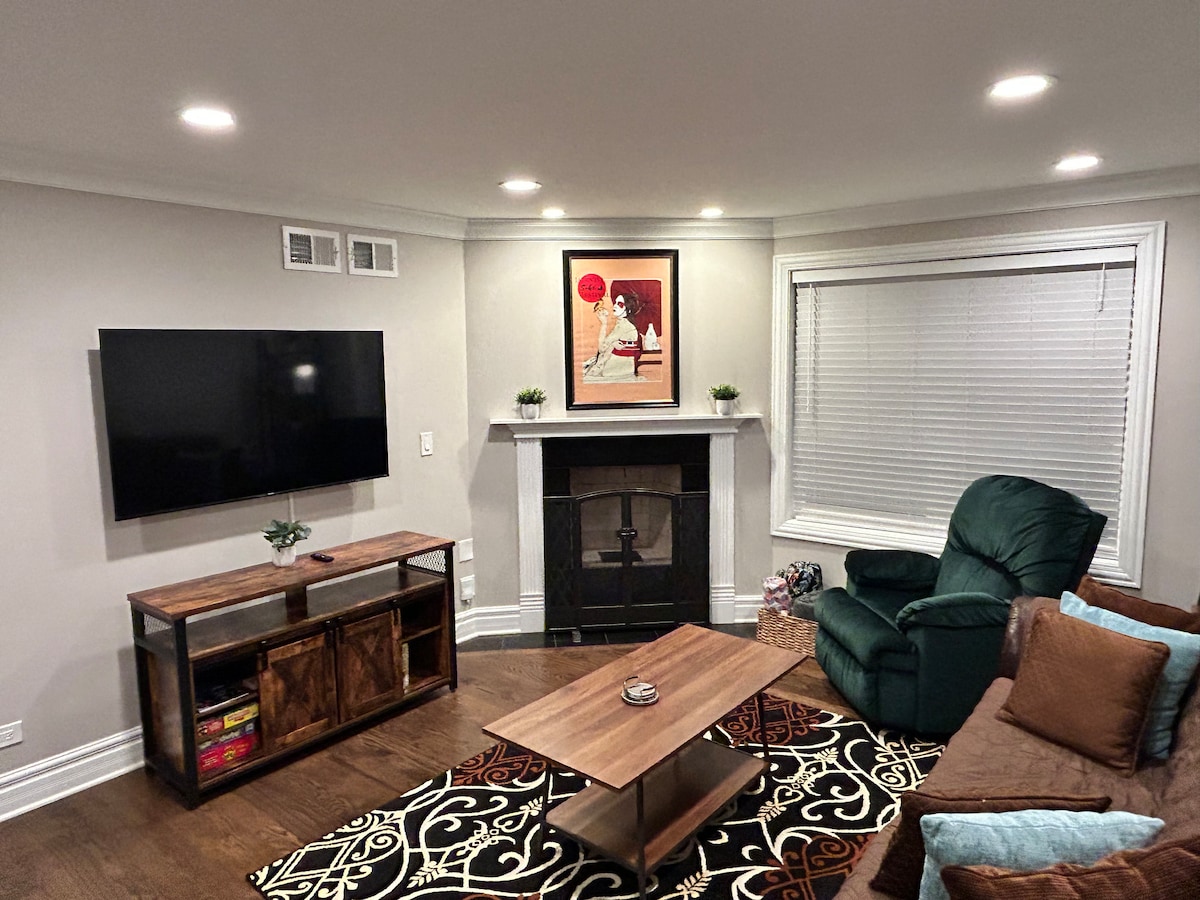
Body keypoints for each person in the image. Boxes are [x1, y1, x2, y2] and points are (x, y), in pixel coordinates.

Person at [583, 293, 642, 381]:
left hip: (615, 369)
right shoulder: (626, 325)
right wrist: (613, 344)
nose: (615, 306)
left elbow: (602, 348)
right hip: (624, 367)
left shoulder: (623, 326)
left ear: (628, 309)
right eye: (615, 302)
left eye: (620, 304)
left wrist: (604, 324)